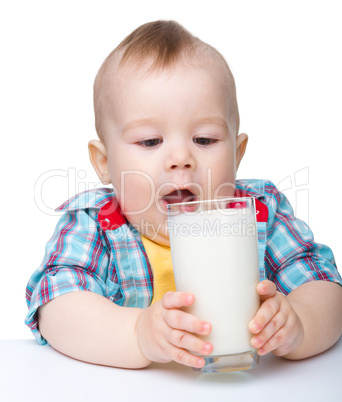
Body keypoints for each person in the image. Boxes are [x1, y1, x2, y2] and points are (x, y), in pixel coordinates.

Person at [25, 20, 342, 369]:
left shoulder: (259, 211)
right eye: (150, 141)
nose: (180, 159)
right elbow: (56, 305)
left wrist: (300, 324)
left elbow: (322, 283)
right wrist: (136, 335)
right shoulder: (95, 223)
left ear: (237, 154)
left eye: (204, 140)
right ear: (104, 162)